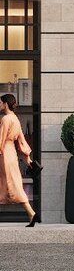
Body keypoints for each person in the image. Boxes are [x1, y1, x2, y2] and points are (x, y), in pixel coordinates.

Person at [0, 94, 37, 227]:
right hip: (11, 154)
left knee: (12, 184)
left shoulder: (6, 119)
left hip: (4, 154)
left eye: (0, 102)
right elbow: (21, 140)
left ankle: (31, 213)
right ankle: (31, 213)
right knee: (12, 183)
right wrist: (28, 158)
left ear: (5, 104)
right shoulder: (15, 118)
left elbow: (0, 140)